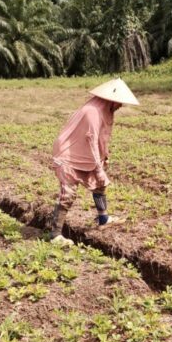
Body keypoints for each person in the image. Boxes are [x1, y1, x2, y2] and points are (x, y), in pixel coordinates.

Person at [49, 78, 140, 246]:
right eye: (119, 102)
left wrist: (103, 157)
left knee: (99, 183)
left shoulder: (104, 111)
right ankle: (55, 235)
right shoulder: (93, 112)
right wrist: (98, 168)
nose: (121, 105)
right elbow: (91, 140)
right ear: (111, 99)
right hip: (68, 153)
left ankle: (103, 218)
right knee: (68, 193)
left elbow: (100, 138)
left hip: (84, 151)